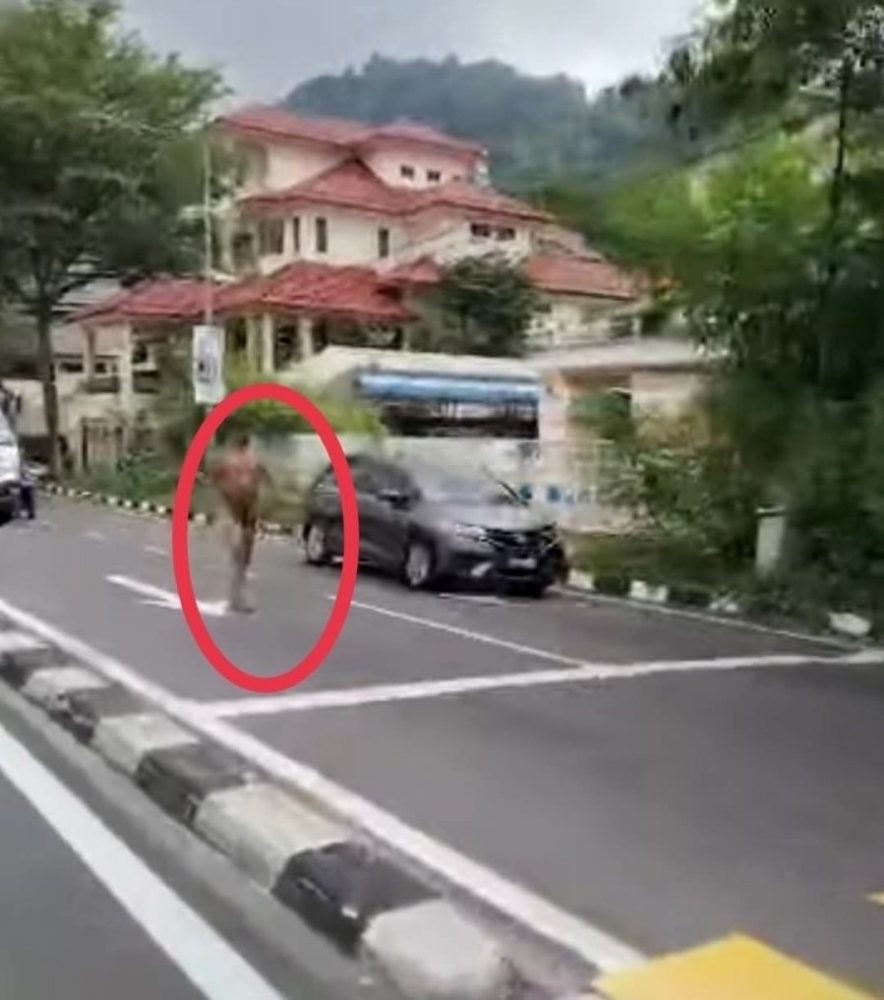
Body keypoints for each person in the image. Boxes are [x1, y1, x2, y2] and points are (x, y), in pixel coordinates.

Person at [209, 434, 271, 613]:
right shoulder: (252, 462)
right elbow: (265, 482)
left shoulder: (230, 461)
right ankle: (236, 597)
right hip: (241, 511)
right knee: (241, 556)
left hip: (237, 511)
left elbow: (214, 479)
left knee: (239, 555)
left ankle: (236, 597)